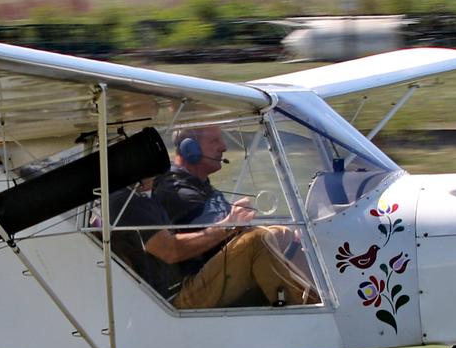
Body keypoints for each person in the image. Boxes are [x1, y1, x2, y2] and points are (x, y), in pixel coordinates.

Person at [108, 125, 318, 309]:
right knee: (258, 240)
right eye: (149, 156)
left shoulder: (141, 199)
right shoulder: (133, 201)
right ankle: (312, 309)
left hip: (190, 285)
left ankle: (315, 299)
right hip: (171, 299)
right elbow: (170, 251)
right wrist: (229, 225)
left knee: (276, 234)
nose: (159, 163)